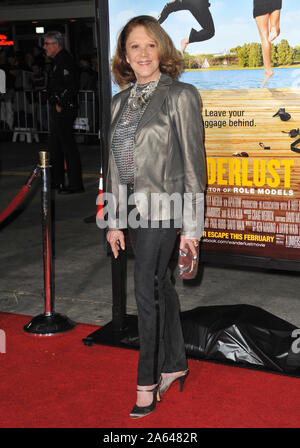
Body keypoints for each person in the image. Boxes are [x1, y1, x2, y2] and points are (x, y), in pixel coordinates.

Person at [103, 15, 206, 418]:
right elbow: (113, 166)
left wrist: (192, 230)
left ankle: (146, 381)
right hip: (128, 207)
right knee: (160, 287)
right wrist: (113, 219)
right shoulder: (119, 101)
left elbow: (195, 169)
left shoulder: (180, 94)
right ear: (124, 56)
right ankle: (175, 362)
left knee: (144, 292)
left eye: (150, 45)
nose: (143, 53)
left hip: (163, 208)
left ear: (162, 49)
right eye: (134, 47)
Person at [44, 31, 84, 194]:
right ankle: (57, 180)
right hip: (58, 107)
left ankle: (75, 184)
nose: (44, 47)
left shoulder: (65, 60)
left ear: (56, 44)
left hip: (64, 108)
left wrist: (61, 103)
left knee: (67, 146)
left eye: (46, 43)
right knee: (55, 145)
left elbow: (72, 85)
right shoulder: (57, 61)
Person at [253, 0, 282, 88]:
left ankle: (268, 71)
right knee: (275, 28)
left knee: (264, 37)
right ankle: (275, 29)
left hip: (260, 3)